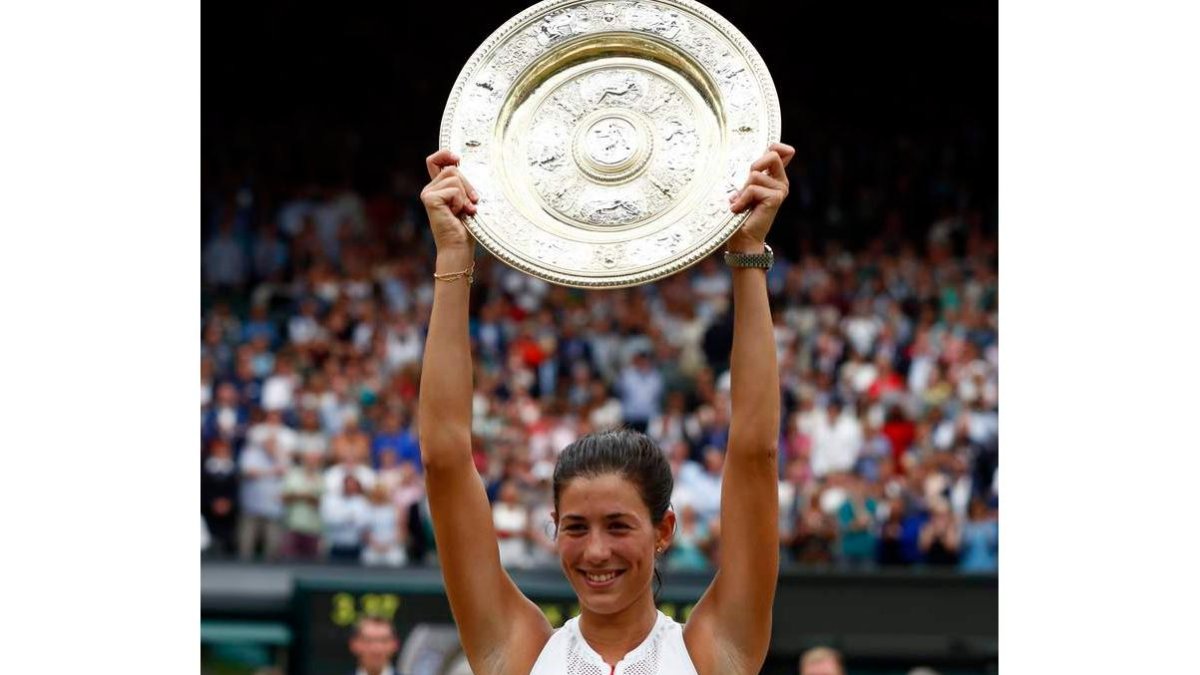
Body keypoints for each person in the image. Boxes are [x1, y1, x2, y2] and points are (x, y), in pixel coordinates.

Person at [416, 142, 793, 675]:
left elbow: (755, 453)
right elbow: (444, 459)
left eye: (618, 526)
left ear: (664, 531)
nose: (595, 552)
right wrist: (453, 255)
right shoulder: (518, 652)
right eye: (575, 527)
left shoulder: (713, 650)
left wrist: (749, 256)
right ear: (553, 528)